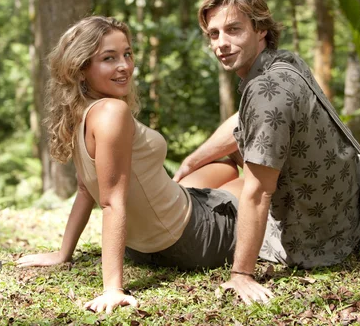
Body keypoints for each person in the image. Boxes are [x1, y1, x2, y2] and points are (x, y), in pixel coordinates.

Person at [17, 16, 243, 314]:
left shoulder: (80, 112)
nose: (124, 65)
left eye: (127, 54)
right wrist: (113, 288)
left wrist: (63, 253)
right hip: (192, 239)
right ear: (81, 69)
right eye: (108, 58)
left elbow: (86, 190)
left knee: (227, 167)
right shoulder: (112, 112)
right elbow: (111, 202)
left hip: (143, 245)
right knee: (248, 174)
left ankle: (209, 180)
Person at [173, 0, 360, 304]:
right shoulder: (285, 64)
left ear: (261, 29)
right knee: (210, 167)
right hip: (342, 223)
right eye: (214, 34)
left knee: (187, 214)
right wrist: (192, 160)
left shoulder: (266, 92)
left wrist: (241, 275)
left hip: (308, 242)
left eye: (233, 29)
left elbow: (259, 192)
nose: (221, 43)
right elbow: (242, 121)